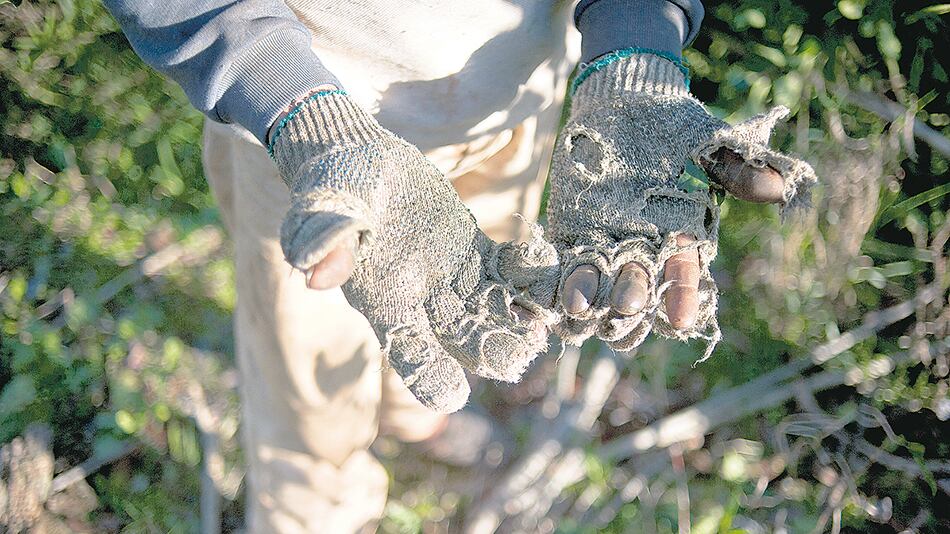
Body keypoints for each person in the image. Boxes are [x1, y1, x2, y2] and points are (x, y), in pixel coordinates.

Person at [102, 0, 816, 531]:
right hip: (312, 145)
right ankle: (312, 509)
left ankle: (412, 422)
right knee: (305, 367)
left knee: (459, 297)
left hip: (513, 104)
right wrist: (305, 119)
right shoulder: (310, 136)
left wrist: (633, 50)